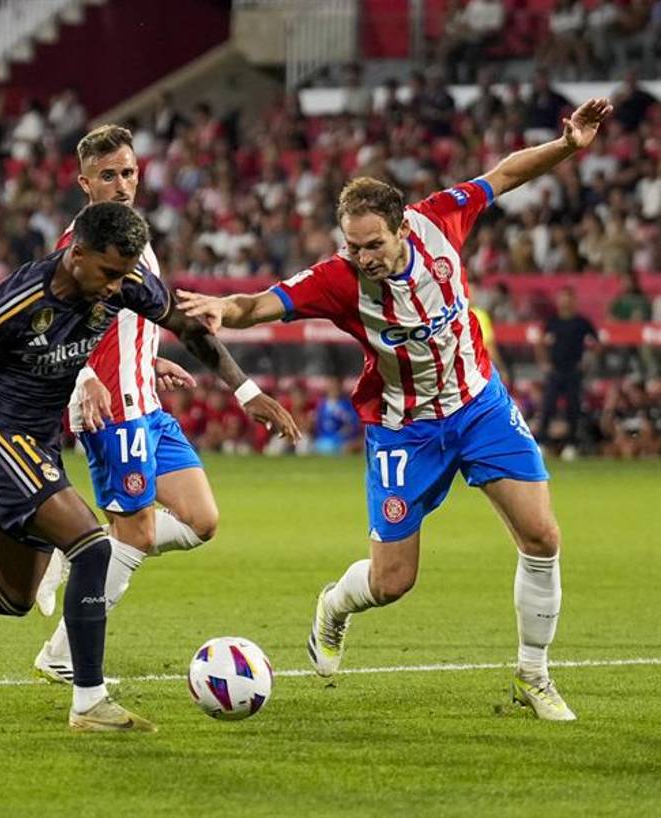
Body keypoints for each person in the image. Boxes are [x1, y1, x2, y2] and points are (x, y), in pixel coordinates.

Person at [178, 97, 615, 722]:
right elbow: (261, 304)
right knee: (392, 583)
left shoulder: (440, 219)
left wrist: (568, 146)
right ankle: (334, 607)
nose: (364, 257)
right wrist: (225, 309)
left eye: (374, 245)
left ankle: (533, 675)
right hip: (404, 430)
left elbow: (508, 174)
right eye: (354, 246)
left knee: (542, 535)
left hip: (479, 406)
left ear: (402, 227)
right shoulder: (338, 279)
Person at [0, 202, 298, 733]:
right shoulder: (15, 298)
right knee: (93, 545)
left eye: (124, 275)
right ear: (77, 252)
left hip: (39, 442)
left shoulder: (124, 280)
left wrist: (245, 390)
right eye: (108, 273)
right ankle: (89, 701)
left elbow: (188, 326)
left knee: (10, 595)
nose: (116, 287)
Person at [31, 124, 286, 684]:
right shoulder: (75, 247)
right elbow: (47, 331)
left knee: (200, 520)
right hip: (110, 410)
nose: (122, 184)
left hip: (145, 400)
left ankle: (83, 549)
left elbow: (130, 317)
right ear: (84, 183)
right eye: (108, 176)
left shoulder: (138, 238)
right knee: (139, 535)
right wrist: (81, 383)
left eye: (128, 173)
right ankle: (62, 654)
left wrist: (148, 359)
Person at [536, 286, 600, 456]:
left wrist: (587, 362)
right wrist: (544, 363)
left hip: (573, 371)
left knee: (573, 408)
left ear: (573, 300)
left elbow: (597, 343)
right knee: (548, 407)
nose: (565, 301)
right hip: (555, 371)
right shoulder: (552, 321)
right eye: (562, 297)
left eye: (568, 297)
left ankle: (571, 445)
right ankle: (542, 442)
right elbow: (539, 342)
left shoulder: (581, 322)